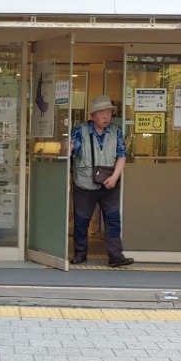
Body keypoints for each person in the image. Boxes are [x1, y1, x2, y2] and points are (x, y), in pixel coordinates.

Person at [70, 95, 134, 268]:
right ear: (92, 115)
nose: (106, 116)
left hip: (109, 183)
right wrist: (67, 148)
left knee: (113, 219)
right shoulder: (80, 130)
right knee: (82, 219)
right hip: (84, 183)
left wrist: (114, 177)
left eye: (109, 112)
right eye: (101, 112)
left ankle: (115, 255)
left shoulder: (116, 131)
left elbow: (122, 156)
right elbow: (72, 151)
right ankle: (80, 253)